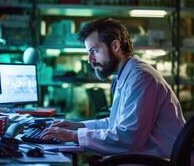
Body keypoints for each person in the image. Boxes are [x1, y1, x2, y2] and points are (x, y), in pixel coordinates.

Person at [42, 18, 186, 159]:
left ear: (115, 46)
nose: (90, 60)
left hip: (158, 160)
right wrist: (77, 126)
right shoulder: (126, 75)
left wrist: (73, 136)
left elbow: (129, 136)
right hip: (145, 155)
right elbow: (115, 123)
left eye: (94, 51)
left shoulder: (141, 78)